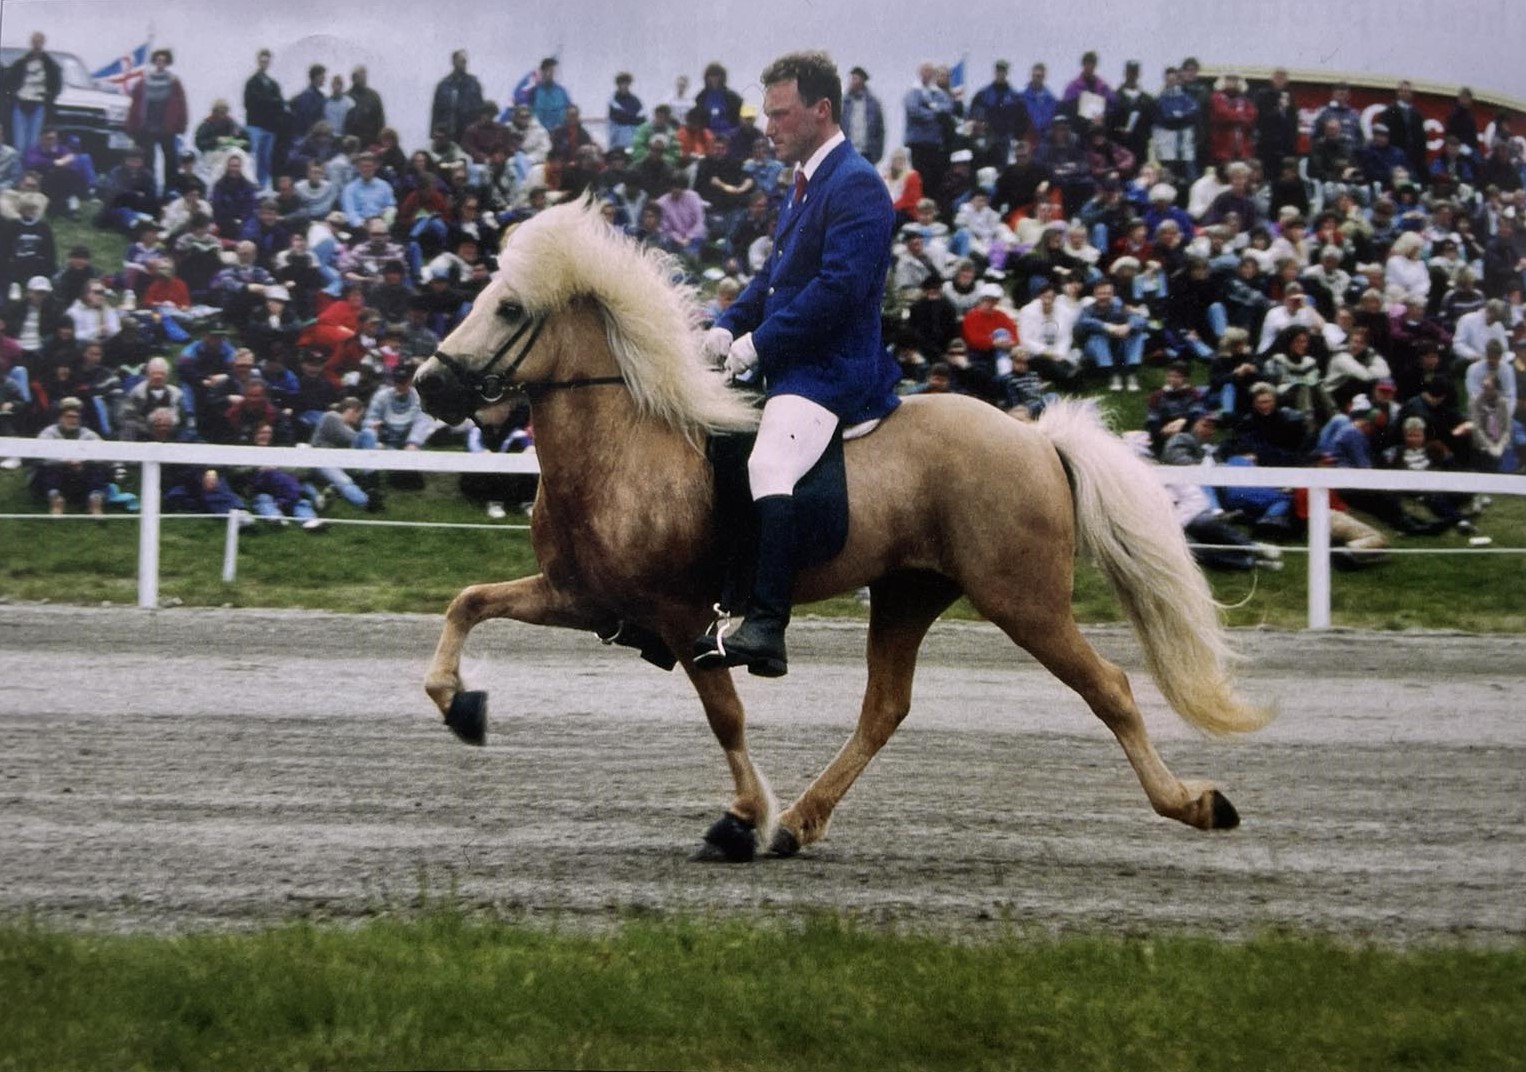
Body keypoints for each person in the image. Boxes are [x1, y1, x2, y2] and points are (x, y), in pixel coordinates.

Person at [693, 50, 898, 678]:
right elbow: (774, 281)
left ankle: (767, 625)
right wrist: (728, 325)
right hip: (794, 359)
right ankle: (704, 600)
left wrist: (761, 345)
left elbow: (836, 290)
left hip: (832, 368)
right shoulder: (806, 183)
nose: (768, 126)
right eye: (767, 114)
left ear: (821, 109)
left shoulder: (857, 182)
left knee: (770, 459)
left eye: (780, 114)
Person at [125, 49, 189, 191]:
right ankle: (149, 188)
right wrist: (131, 125)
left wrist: (181, 124)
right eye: (158, 60)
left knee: (171, 159)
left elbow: (181, 104)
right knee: (148, 160)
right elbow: (135, 104)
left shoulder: (174, 82)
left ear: (167, 63)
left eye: (163, 61)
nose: (160, 63)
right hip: (147, 127)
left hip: (166, 127)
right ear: (154, 62)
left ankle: (170, 189)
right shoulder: (143, 82)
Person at [33, 397, 108, 515]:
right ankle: (56, 501)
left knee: (98, 469)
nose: (73, 420)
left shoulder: (88, 434)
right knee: (46, 469)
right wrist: (64, 461)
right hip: (59, 474)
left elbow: (103, 452)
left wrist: (83, 461)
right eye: (69, 417)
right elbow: (41, 454)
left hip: (81, 474)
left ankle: (95, 501)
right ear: (60, 418)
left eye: (76, 417)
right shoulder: (49, 433)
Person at [1, 32, 61, 156]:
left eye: (39, 42)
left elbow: (56, 83)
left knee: (32, 143)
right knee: (19, 143)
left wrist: (49, 98)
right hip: (20, 104)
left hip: (38, 105)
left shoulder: (50, 65)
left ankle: (30, 171)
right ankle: (17, 171)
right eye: (35, 42)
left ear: (43, 43)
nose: (37, 45)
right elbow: (9, 81)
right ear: (31, 43)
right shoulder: (21, 62)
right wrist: (11, 96)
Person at [431, 50, 484, 144]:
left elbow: (480, 109)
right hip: (449, 132)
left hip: (469, 132)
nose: (464, 64)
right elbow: (436, 111)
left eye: (465, 62)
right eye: (461, 61)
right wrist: (433, 133)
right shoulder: (444, 85)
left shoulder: (474, 84)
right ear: (454, 61)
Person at [841, 66, 884, 165]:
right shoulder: (844, 103)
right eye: (851, 78)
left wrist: (877, 154)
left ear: (862, 81)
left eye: (855, 78)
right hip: (847, 151)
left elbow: (880, 130)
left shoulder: (873, 104)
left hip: (867, 153)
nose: (852, 81)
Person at [607, 72, 644, 152]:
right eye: (621, 83)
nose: (624, 85)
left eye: (626, 83)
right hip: (618, 141)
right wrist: (633, 118)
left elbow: (642, 119)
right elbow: (620, 118)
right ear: (618, 84)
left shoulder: (636, 100)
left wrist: (632, 119)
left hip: (634, 140)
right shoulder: (613, 100)